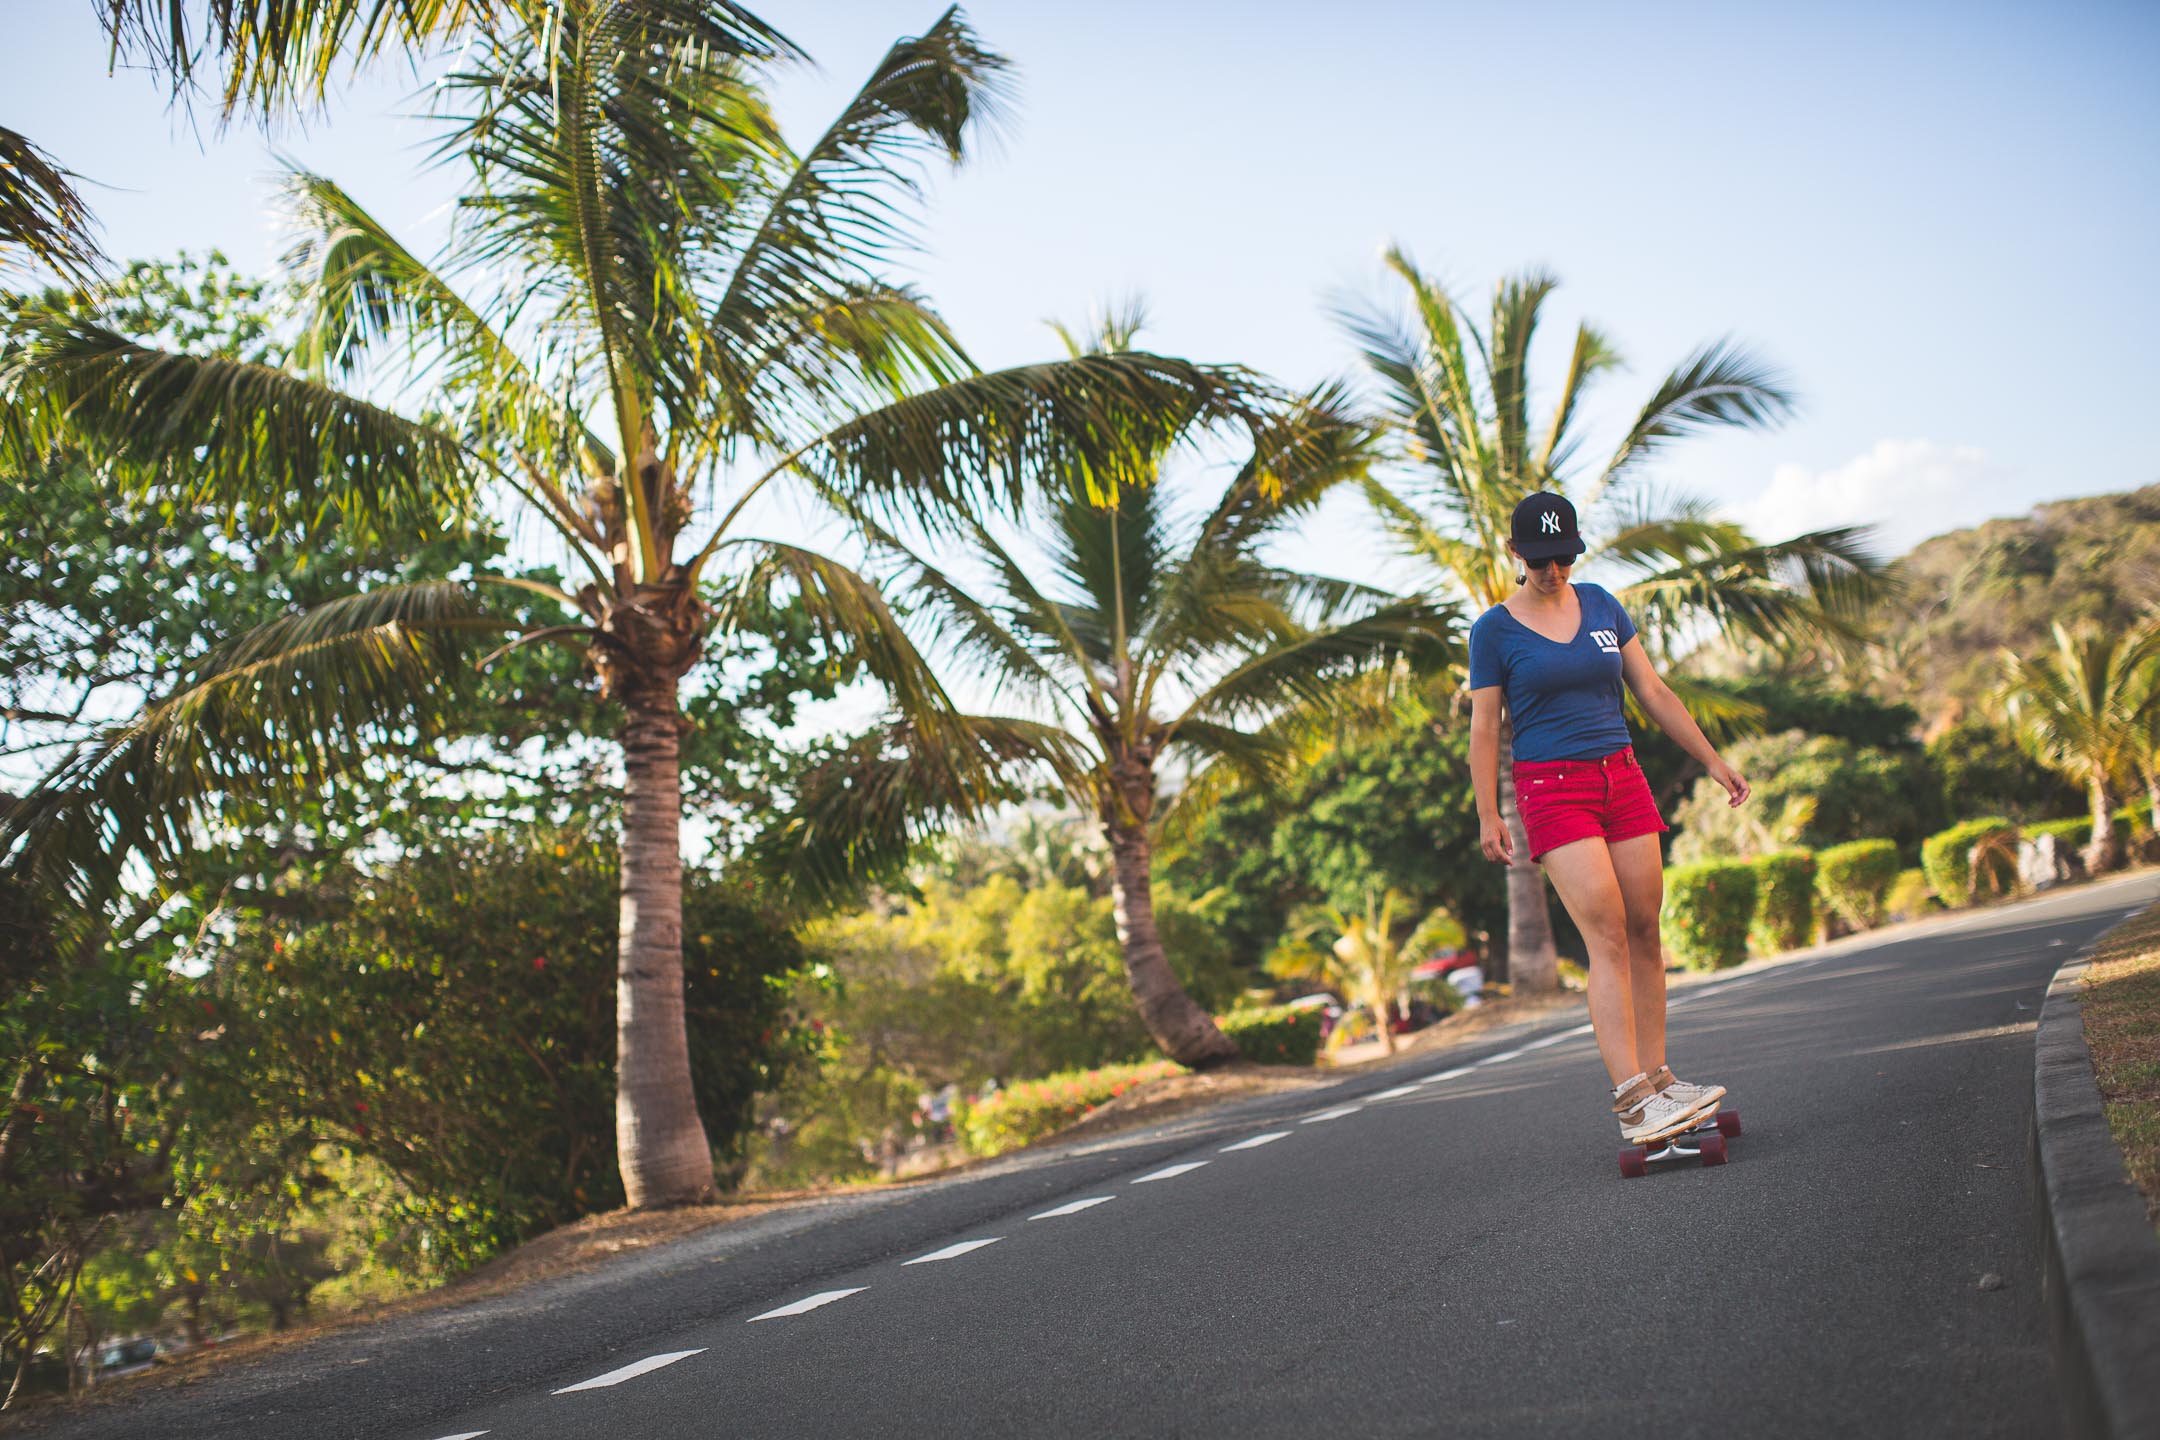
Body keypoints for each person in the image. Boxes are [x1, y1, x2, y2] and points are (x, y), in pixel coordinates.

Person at [1466, 491, 1752, 1146]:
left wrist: (1710, 759)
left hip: (1620, 775)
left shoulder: (1602, 605)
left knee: (1646, 928)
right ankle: (1631, 1098)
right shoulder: (1494, 630)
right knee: (1607, 935)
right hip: (1551, 788)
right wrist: (1489, 812)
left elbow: (1650, 690)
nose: (1553, 571)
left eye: (1563, 557)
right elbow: (1486, 727)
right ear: (1515, 554)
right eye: (1540, 560)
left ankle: (1660, 1079)